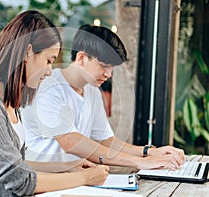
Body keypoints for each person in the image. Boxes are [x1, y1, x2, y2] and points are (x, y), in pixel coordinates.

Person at [0, 11, 109, 197]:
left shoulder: (10, 102)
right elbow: (19, 180)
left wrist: (66, 167)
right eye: (48, 61)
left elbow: (17, 165)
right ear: (27, 51)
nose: (49, 71)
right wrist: (83, 178)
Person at [20, 24, 186, 170]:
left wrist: (148, 152)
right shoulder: (50, 86)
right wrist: (139, 162)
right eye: (104, 66)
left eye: (112, 68)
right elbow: (70, 141)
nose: (108, 74)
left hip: (74, 176)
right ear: (82, 58)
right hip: (41, 180)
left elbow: (106, 140)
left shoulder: (92, 91)